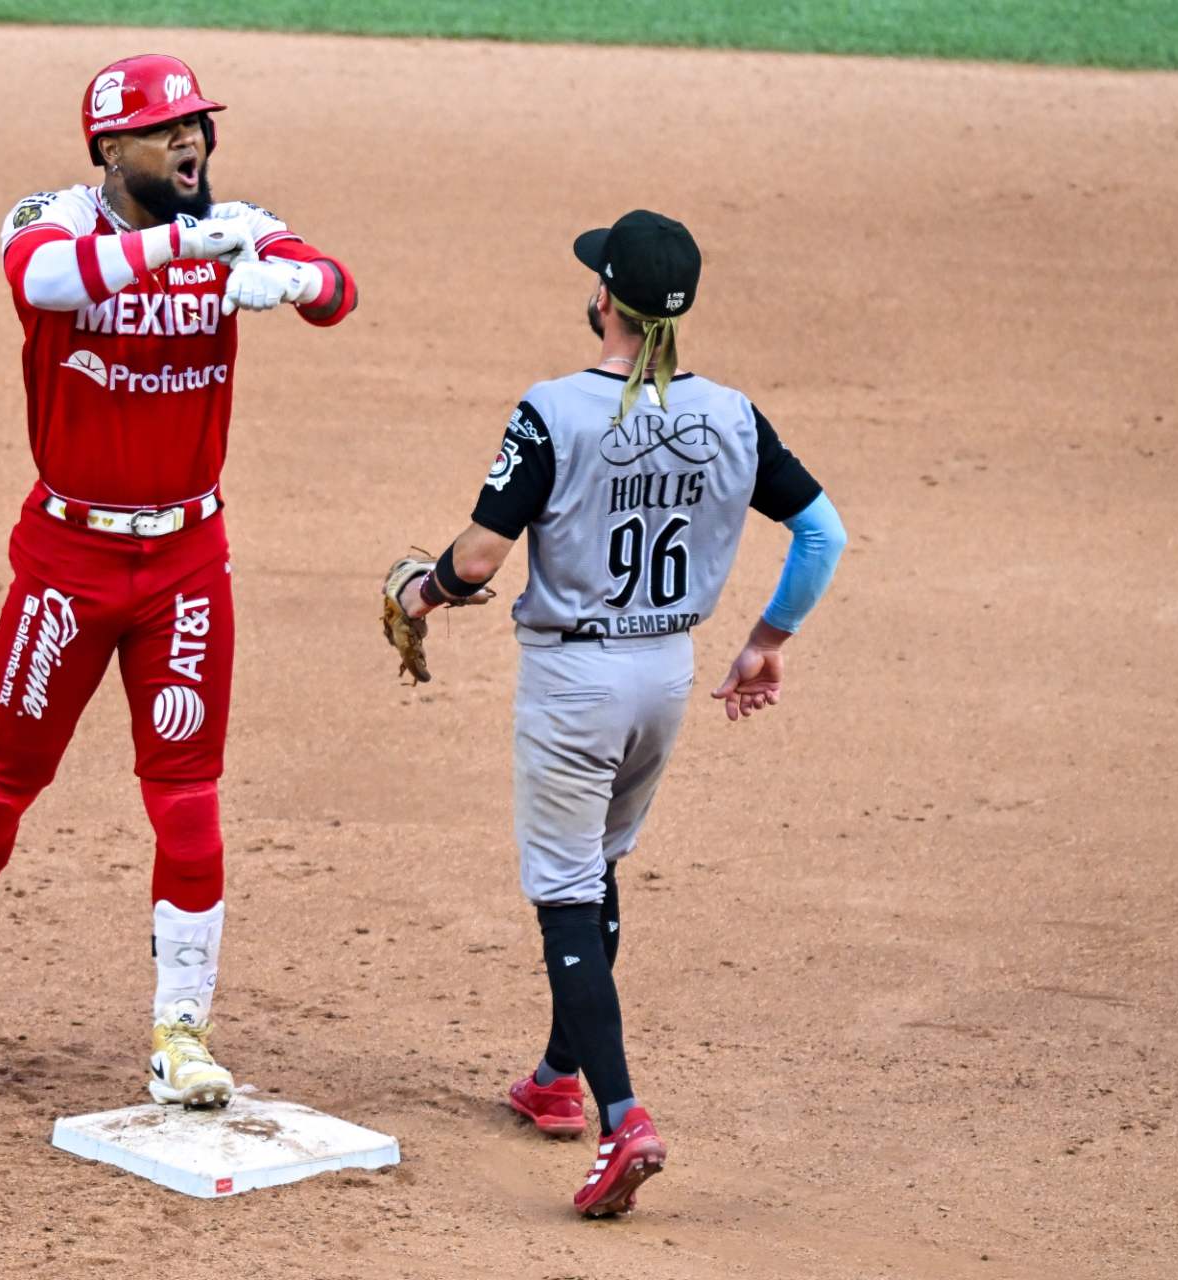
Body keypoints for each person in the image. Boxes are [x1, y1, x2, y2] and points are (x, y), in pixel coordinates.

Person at [0, 53, 356, 1107]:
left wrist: (289, 279)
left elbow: (340, 288)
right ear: (109, 149)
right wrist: (190, 245)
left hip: (186, 560)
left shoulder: (241, 218)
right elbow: (44, 281)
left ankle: (180, 1031)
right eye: (166, 128)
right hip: (68, 555)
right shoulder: (48, 218)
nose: (191, 142)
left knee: (186, 798)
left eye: (198, 124)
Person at [383, 210, 844, 1215]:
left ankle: (623, 1115)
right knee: (597, 870)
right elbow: (822, 533)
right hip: (665, 679)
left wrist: (423, 592)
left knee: (562, 890)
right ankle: (556, 1074)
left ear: (606, 299)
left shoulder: (553, 412)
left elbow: (477, 559)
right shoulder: (732, 415)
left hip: (575, 685)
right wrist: (767, 641)